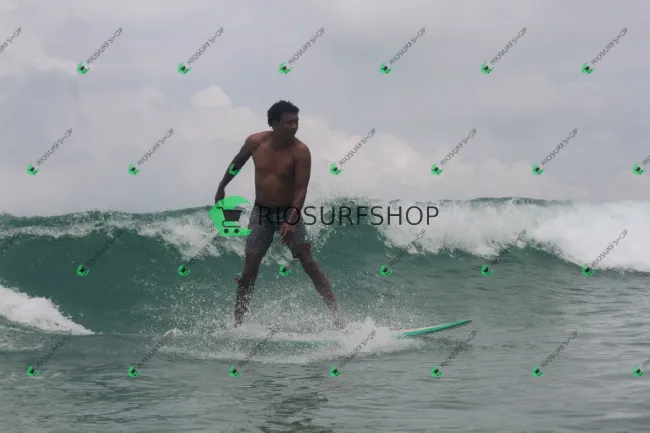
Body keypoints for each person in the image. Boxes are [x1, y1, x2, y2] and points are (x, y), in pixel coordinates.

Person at [214, 100, 346, 330]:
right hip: (261, 212)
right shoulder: (255, 142)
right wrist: (222, 187)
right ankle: (238, 324)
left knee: (308, 262)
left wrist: (291, 220)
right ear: (274, 123)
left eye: (296, 122)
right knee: (249, 271)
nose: (294, 126)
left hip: (288, 210)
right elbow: (237, 164)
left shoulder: (300, 151)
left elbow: (300, 189)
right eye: (288, 122)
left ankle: (338, 318)